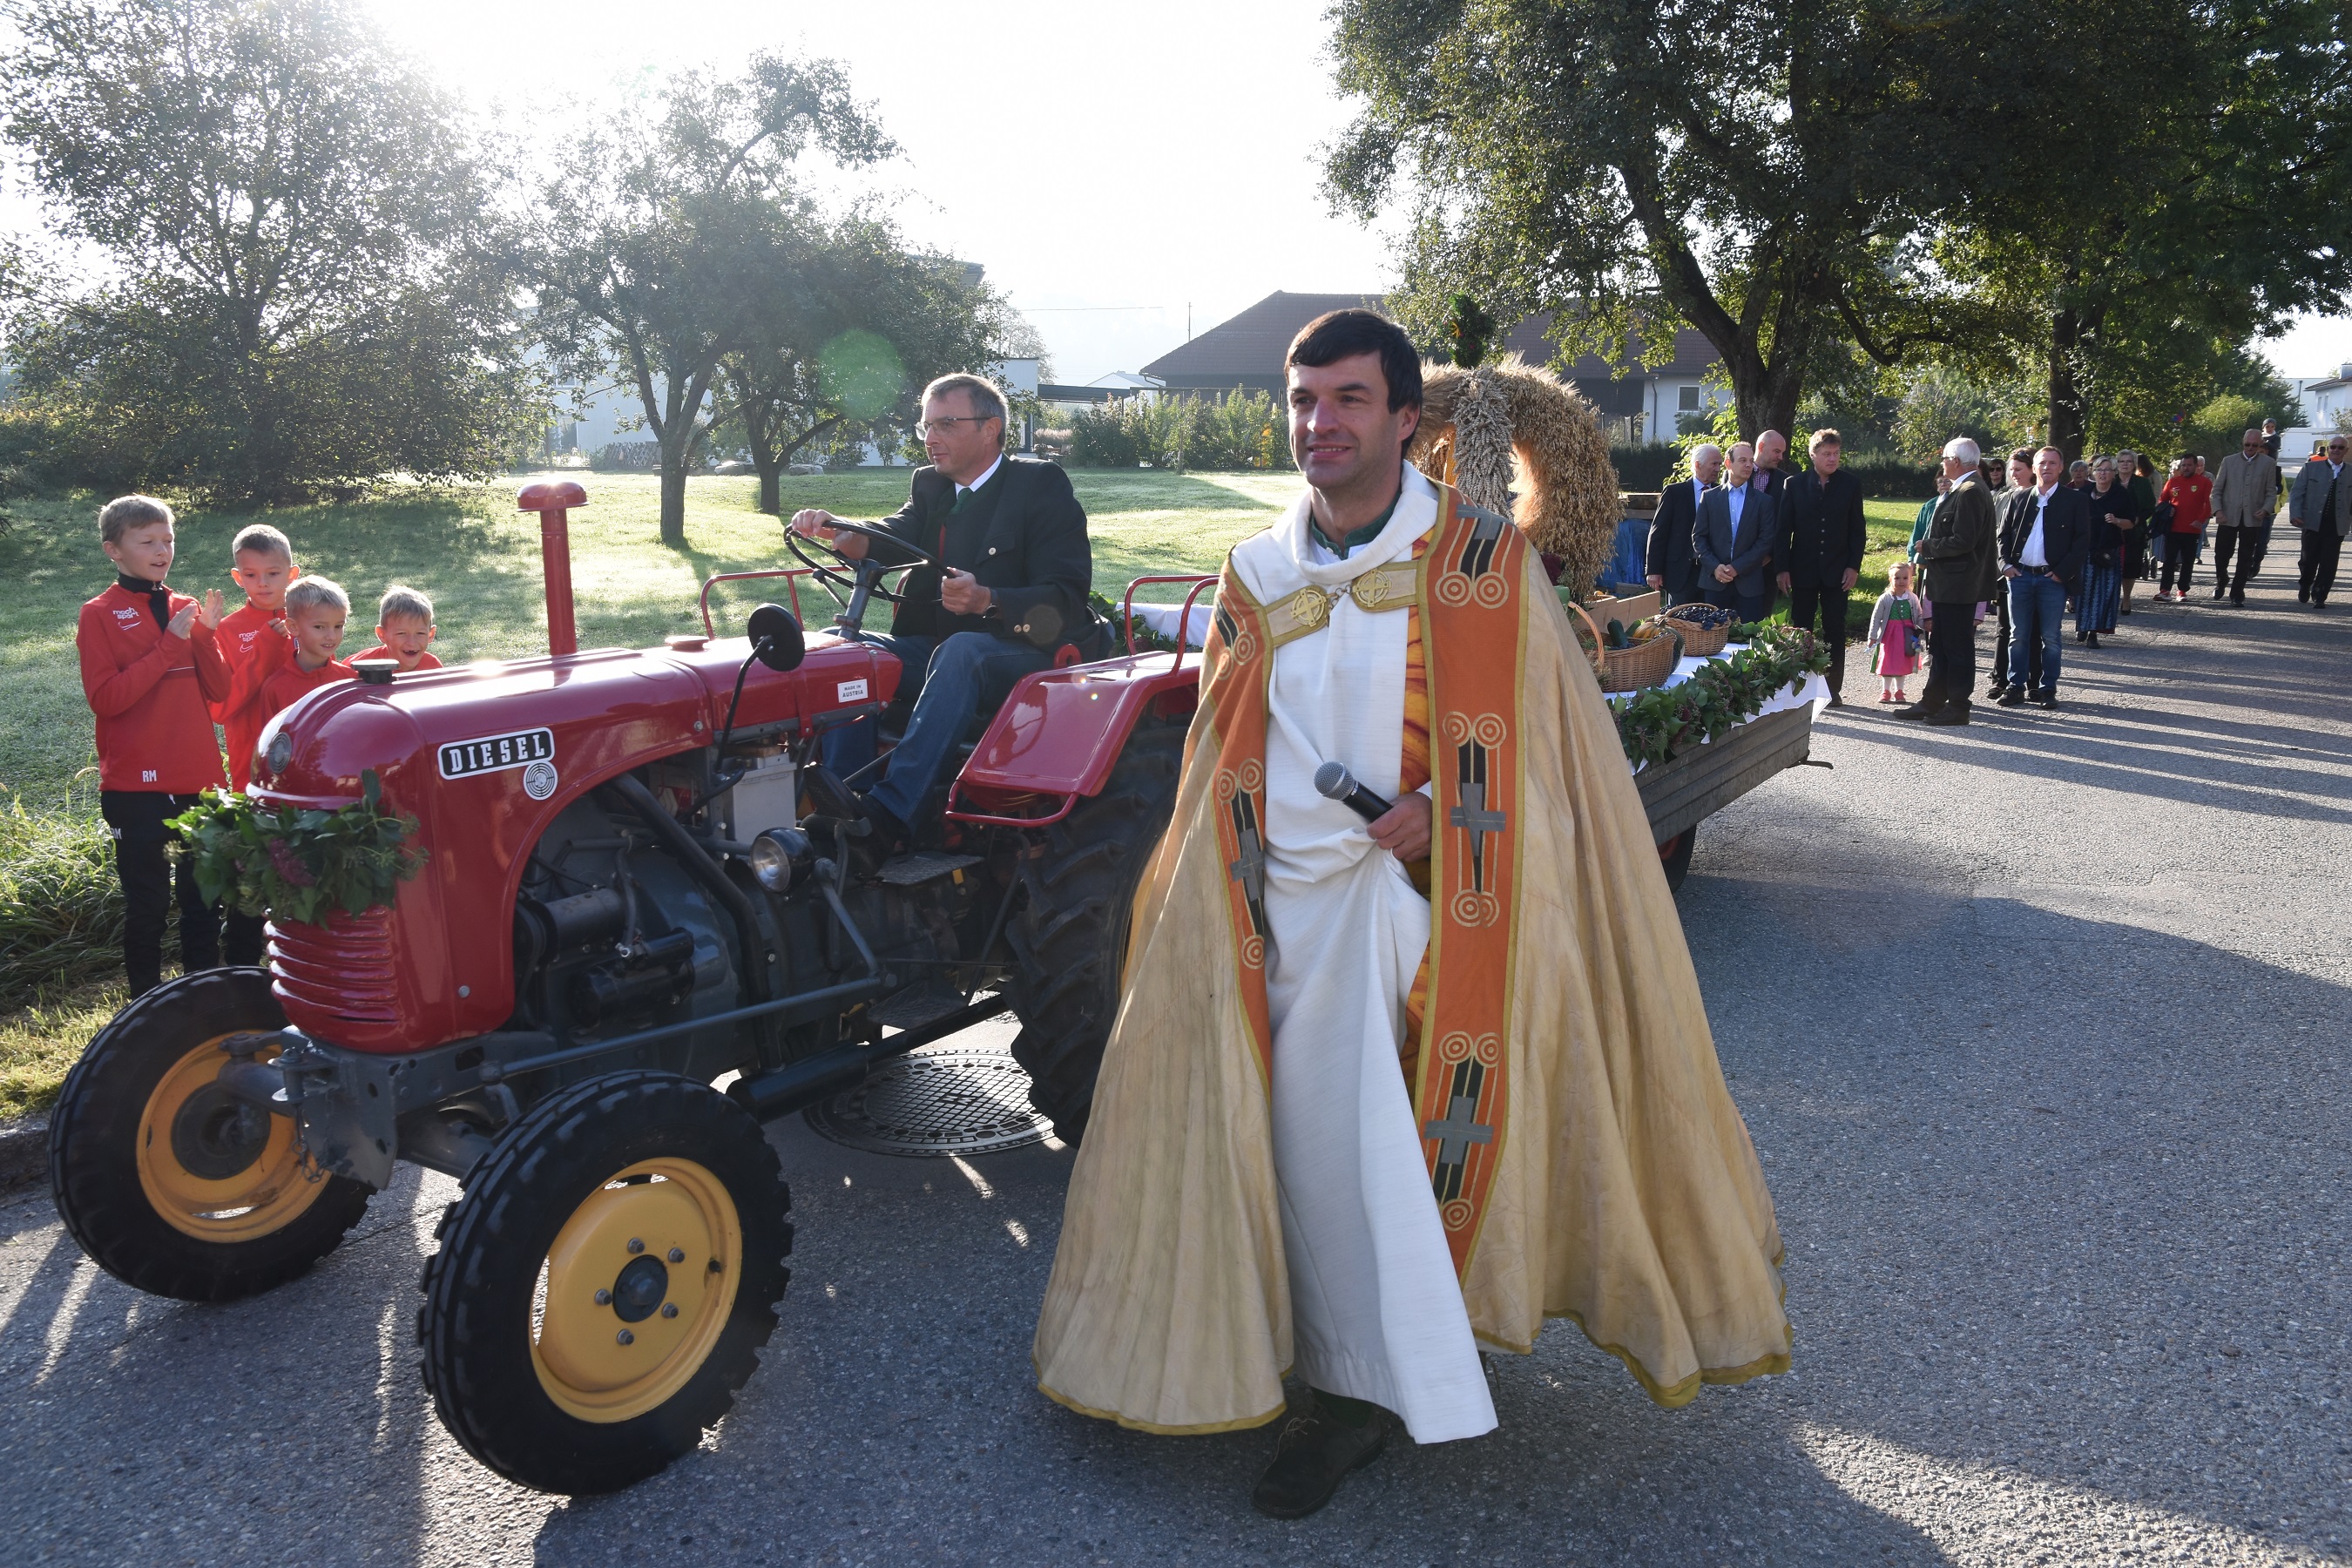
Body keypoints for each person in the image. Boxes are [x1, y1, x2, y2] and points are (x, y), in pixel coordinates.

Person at [1031, 308, 1791, 1519]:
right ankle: (1264, 1341)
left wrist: (1451, 806)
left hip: (1421, 913)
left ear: (1402, 417)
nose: (1319, 424)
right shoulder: (1256, 571)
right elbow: (1222, 744)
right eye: (1303, 401)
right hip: (1269, 911)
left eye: (1347, 399)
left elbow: (1555, 745)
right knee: (1268, 1145)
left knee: (1358, 1157)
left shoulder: (1480, 563)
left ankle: (1358, 1397)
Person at [790, 373, 1098, 853]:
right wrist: (845, 534)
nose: (931, 438)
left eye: (946, 424)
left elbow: (1067, 597)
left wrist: (988, 599)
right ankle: (845, 800)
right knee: (845, 650)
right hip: (939, 653)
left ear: (990, 429)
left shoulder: (1039, 486)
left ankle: (889, 817)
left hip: (1027, 656)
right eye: (926, 426)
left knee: (962, 651)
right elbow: (895, 533)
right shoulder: (932, 485)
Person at [75, 494, 231, 997]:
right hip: (135, 787)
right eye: (147, 542)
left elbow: (221, 693)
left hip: (200, 782)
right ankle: (144, 1005)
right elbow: (106, 699)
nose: (162, 550)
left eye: (168, 539)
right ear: (113, 550)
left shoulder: (186, 607)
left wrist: (205, 636)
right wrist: (169, 645)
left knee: (203, 900)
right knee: (148, 904)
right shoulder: (98, 614)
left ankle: (203, 996)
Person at [1898, 437, 1999, 727]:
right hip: (1948, 584)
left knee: (1957, 648)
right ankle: (1932, 701)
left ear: (1955, 461)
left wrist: (1928, 546)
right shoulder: (1964, 488)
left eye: (1944, 458)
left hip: (1960, 585)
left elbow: (1964, 540)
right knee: (1941, 645)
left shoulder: (1970, 491)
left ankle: (1958, 706)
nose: (1942, 464)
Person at [1775, 429, 1867, 706]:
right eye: (1827, 454)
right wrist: (1782, 568)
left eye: (1836, 453)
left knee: (1835, 628)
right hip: (1802, 569)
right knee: (1801, 628)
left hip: (1838, 570)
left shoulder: (1850, 484)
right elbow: (1783, 531)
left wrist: (1853, 566)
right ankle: (1800, 685)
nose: (1832, 458)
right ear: (1813, 455)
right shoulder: (1794, 484)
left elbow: (1857, 530)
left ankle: (1831, 688)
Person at [1997, 447, 2090, 710]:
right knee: (2018, 635)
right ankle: (2015, 686)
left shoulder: (2075, 500)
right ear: (2035, 468)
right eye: (2042, 463)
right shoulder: (2019, 497)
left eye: (2052, 463)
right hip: (2020, 577)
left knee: (2051, 637)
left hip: (2052, 580)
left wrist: (2062, 572)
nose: (2046, 467)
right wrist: (2005, 565)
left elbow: (2082, 541)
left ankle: (2047, 688)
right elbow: (2002, 535)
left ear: (2061, 467)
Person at [1696, 440, 1776, 624]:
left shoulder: (1764, 501)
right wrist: (1715, 567)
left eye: (1751, 461)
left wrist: (1737, 567)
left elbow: (1765, 540)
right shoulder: (1709, 498)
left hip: (1749, 585)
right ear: (1728, 463)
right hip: (1715, 582)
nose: (1749, 465)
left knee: (1749, 637)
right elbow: (1699, 537)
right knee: (1714, 637)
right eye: (1742, 460)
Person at [260, 577, 355, 720]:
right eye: (319, 627)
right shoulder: (276, 688)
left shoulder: (350, 679)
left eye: (338, 626)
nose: (331, 636)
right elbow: (272, 734)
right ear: (293, 627)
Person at [2208, 429, 2281, 605]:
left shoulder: (2268, 463)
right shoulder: (2229, 461)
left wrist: (2265, 509)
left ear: (2260, 444)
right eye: (2247, 444)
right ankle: (2222, 579)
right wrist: (2218, 511)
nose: (2250, 448)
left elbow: (2271, 493)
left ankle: (2237, 592)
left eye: (2254, 445)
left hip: (2252, 517)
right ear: (2243, 442)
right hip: (2228, 516)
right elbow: (2216, 491)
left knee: (2246, 557)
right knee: (2221, 555)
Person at [1644, 443, 1719, 605]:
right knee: (1678, 617)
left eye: (1719, 464)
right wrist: (1653, 570)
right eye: (1714, 464)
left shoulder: (1721, 493)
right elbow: (1659, 532)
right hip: (1680, 572)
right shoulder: (1674, 493)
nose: (1718, 469)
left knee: (1709, 618)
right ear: (1697, 465)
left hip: (1711, 572)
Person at [2288, 433, 2352, 606]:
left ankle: (2320, 595)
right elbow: (2297, 493)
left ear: (2346, 451)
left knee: (2329, 562)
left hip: (2337, 525)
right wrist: (2295, 514)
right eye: (2333, 447)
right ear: (2328, 449)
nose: (2336, 450)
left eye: (2340, 448)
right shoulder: (2311, 468)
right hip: (2312, 522)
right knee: (2308, 560)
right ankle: (2305, 583)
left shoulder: (2350, 472)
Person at [2076, 456, 2133, 647]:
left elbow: (2130, 522)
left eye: (2107, 470)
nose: (2103, 473)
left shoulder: (2121, 494)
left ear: (2114, 473)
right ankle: (2082, 626)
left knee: (2104, 592)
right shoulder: (2083, 493)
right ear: (2093, 473)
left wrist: (2117, 521)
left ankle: (2094, 632)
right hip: (2085, 549)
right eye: (2099, 470)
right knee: (2083, 590)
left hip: (2109, 550)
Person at [1867, 560, 1925, 704]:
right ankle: (1885, 691)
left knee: (1901, 664)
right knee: (1887, 662)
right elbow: (1876, 618)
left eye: (1905, 578)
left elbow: (1919, 616)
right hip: (1889, 636)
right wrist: (1872, 637)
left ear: (1910, 579)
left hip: (1906, 636)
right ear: (1890, 580)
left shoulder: (1912, 598)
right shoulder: (1885, 599)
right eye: (1897, 578)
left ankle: (1899, 691)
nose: (1901, 581)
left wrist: (1926, 625)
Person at [2155, 455, 2211, 602]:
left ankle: (2182, 590)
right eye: (2184, 465)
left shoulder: (2204, 482)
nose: (2186, 468)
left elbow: (2209, 504)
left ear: (2196, 466)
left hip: (2192, 530)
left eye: (2189, 465)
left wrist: (2201, 520)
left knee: (2188, 561)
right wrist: (2166, 510)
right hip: (2173, 529)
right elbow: (2162, 500)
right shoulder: (2173, 482)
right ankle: (2165, 590)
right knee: (2169, 560)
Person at [353, 585, 443, 672]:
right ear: (382, 634)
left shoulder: (433, 667)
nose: (412, 643)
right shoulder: (360, 668)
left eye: (420, 633)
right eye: (401, 633)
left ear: (430, 634)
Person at [2118, 450, 2156, 615]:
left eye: (2129, 461)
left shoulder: (2142, 483)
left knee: (2130, 566)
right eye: (2122, 461)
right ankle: (2111, 598)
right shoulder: (2111, 481)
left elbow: (2150, 506)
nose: (2125, 464)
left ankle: (2126, 598)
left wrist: (2137, 520)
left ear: (2134, 464)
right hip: (2112, 530)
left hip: (2135, 531)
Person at [1908, 473, 1950, 564]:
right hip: (1925, 557)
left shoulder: (1958, 502)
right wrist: (1912, 558)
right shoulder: (1928, 506)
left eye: (1947, 481)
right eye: (1940, 482)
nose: (1943, 484)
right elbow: (1918, 532)